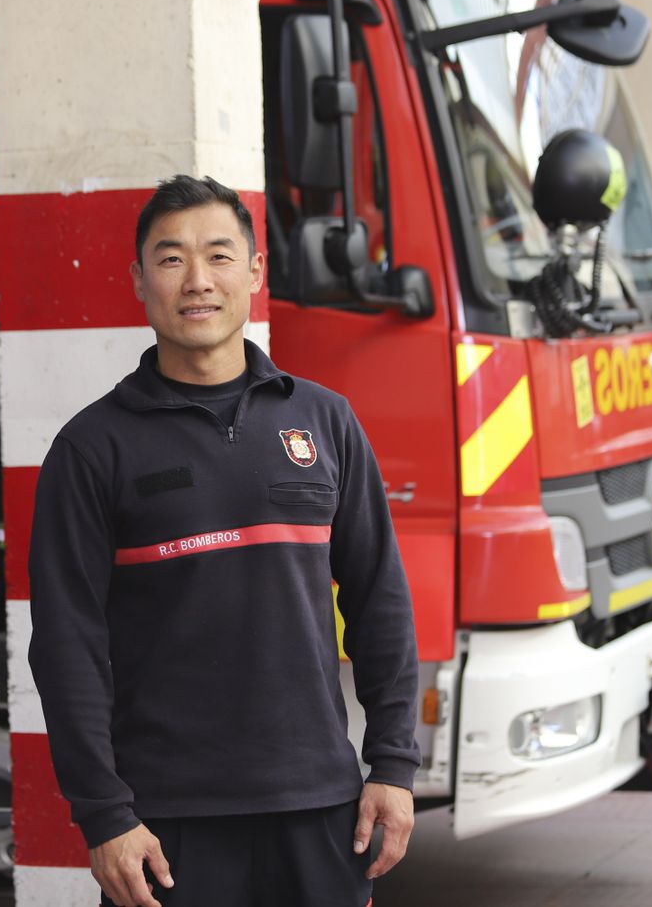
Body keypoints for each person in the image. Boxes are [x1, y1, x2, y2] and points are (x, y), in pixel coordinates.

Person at [27, 175, 420, 907]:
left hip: (321, 809)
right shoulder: (91, 449)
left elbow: (381, 604)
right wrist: (105, 815)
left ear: (255, 271)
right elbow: (65, 646)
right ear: (139, 279)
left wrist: (393, 766)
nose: (198, 280)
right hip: (170, 825)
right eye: (171, 259)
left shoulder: (326, 422)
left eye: (219, 255)